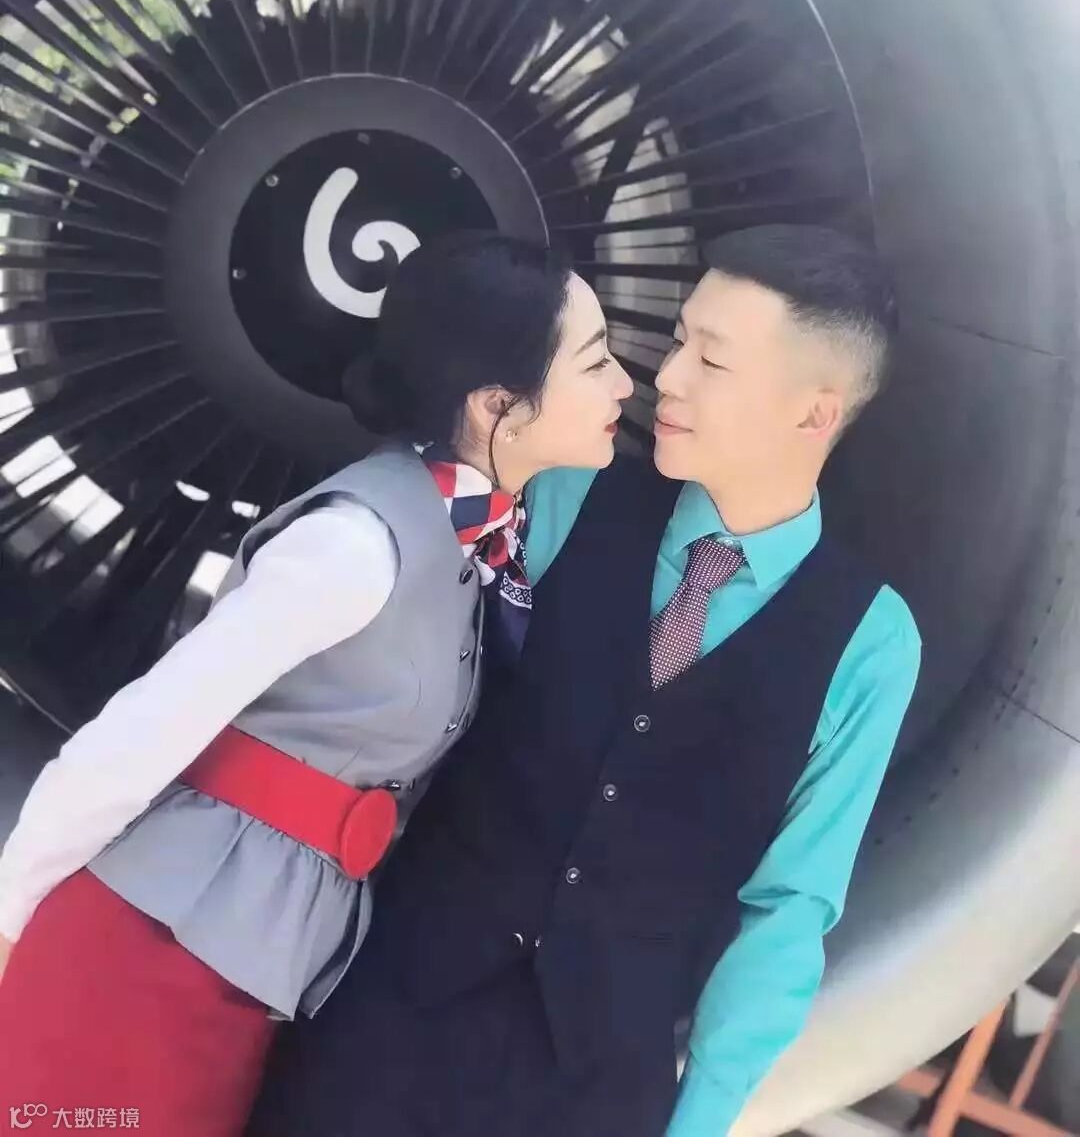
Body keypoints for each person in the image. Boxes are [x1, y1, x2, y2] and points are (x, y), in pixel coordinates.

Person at [249, 224, 922, 1137]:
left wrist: (696, 1126)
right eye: (679, 340)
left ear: (814, 414)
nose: (666, 377)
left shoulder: (872, 643)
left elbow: (787, 913)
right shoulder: (563, 494)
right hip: (381, 1030)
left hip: (594, 1097)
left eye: (711, 360)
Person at [0, 232, 633, 1137]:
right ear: (499, 404)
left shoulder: (481, 546)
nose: (623, 385)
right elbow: (143, 731)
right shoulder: (354, 544)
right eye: (596, 360)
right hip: (144, 956)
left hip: (262, 976)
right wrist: (12, 916)